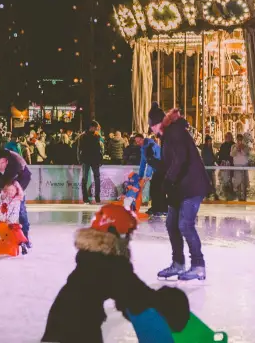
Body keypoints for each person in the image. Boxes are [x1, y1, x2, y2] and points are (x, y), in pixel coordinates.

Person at [42, 203, 189, 343]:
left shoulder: (94, 256)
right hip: (76, 328)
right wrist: (170, 301)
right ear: (118, 235)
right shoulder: (110, 264)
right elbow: (137, 296)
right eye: (128, 234)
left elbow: (126, 298)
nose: (129, 240)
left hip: (64, 322)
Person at [153, 108, 209, 282]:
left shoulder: (174, 132)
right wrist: (150, 160)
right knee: (172, 224)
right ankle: (178, 263)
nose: (152, 131)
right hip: (179, 188)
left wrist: (168, 181)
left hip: (191, 186)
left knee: (185, 224)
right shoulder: (168, 136)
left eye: (152, 126)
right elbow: (168, 164)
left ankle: (198, 266)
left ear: (157, 124)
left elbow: (180, 160)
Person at [0, 148, 32, 245]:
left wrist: (17, 190)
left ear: (7, 161)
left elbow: (26, 176)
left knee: (21, 213)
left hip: (14, 189)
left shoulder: (17, 162)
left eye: (2, 163)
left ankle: (25, 240)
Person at [0, 180, 28, 255]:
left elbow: (15, 212)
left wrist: (10, 221)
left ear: (16, 190)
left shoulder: (17, 201)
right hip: (0, 220)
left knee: (17, 230)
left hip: (11, 222)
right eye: (9, 190)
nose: (10, 192)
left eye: (12, 190)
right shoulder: (3, 198)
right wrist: (2, 195)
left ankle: (22, 243)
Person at [78, 122, 104, 204]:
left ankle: (92, 198)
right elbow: (100, 149)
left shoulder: (94, 136)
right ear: (91, 127)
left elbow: (100, 149)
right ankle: (92, 198)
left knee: (90, 178)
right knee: (91, 178)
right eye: (95, 127)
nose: (96, 129)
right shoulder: (87, 136)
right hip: (90, 159)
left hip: (90, 159)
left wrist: (79, 159)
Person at [200, 135, 218, 201]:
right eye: (209, 141)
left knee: (213, 181)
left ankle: (213, 194)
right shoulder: (205, 149)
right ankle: (208, 194)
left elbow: (213, 157)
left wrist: (215, 160)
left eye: (211, 141)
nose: (210, 142)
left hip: (210, 167)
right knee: (209, 181)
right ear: (206, 141)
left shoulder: (210, 149)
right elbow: (206, 158)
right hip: (207, 168)